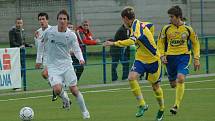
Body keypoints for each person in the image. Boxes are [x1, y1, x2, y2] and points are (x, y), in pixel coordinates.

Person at [103, 6, 164, 121]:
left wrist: (113, 43)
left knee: (155, 87)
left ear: (126, 18)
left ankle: (161, 109)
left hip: (153, 60)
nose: (123, 22)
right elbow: (151, 25)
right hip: (140, 59)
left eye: (123, 20)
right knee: (131, 78)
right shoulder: (140, 24)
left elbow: (131, 41)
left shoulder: (136, 27)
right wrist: (146, 39)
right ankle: (142, 104)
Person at [36, 9, 90, 119]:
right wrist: (38, 60)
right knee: (56, 89)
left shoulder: (71, 35)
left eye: (64, 19)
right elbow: (41, 44)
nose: (62, 21)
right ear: (57, 20)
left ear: (67, 21)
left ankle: (85, 112)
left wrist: (81, 58)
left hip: (66, 65)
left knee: (74, 90)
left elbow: (77, 49)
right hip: (53, 66)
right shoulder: (49, 31)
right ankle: (66, 100)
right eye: (60, 19)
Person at [157, 5, 200, 115]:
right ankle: (179, 89)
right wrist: (162, 55)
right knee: (173, 84)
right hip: (170, 58)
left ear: (178, 17)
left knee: (180, 78)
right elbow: (160, 43)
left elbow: (195, 44)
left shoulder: (188, 29)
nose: (170, 19)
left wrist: (196, 58)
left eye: (172, 17)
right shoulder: (166, 28)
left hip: (184, 57)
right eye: (170, 17)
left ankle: (176, 106)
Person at [34, 12, 58, 101]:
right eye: (40, 19)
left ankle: (56, 89)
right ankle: (56, 89)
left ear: (47, 20)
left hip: (54, 57)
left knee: (45, 74)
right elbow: (39, 47)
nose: (41, 21)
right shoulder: (38, 32)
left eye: (43, 19)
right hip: (45, 58)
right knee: (46, 76)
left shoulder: (53, 30)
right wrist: (38, 60)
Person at [9, 17, 32, 90]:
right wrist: (19, 46)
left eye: (20, 23)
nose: (19, 24)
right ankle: (15, 85)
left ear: (22, 23)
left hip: (22, 52)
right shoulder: (12, 31)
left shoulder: (22, 31)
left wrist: (28, 45)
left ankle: (18, 84)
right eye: (18, 23)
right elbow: (12, 42)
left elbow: (23, 42)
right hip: (15, 53)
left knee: (23, 68)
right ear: (15, 23)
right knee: (16, 69)